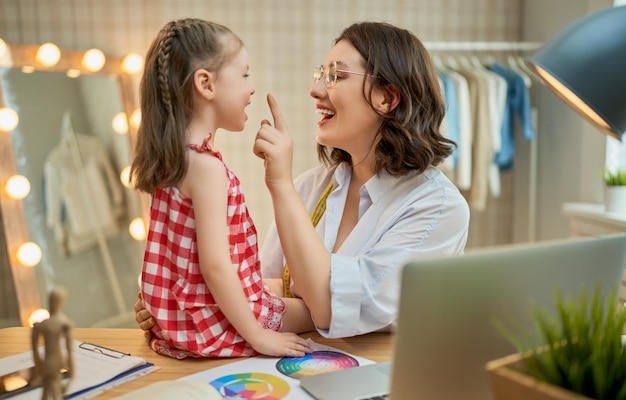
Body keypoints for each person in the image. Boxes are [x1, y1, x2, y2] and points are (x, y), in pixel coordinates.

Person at [135, 21, 470, 339]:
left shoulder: (437, 207)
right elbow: (266, 284)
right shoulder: (314, 186)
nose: (315, 89)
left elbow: (328, 309)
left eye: (335, 76)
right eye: (320, 74)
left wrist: (280, 184)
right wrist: (180, 298)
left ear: (387, 97)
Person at [129, 18, 313, 360]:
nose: (251, 87)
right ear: (206, 84)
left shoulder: (174, 160)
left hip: (179, 320)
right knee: (322, 312)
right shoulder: (206, 168)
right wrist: (259, 336)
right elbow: (215, 265)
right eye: (244, 74)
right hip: (213, 322)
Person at [31, 286, 74, 400]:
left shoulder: (42, 325)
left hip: (47, 362)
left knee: (45, 392)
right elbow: (69, 350)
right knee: (56, 393)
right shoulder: (64, 323)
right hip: (57, 362)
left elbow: (34, 349)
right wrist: (72, 372)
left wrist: (39, 366)